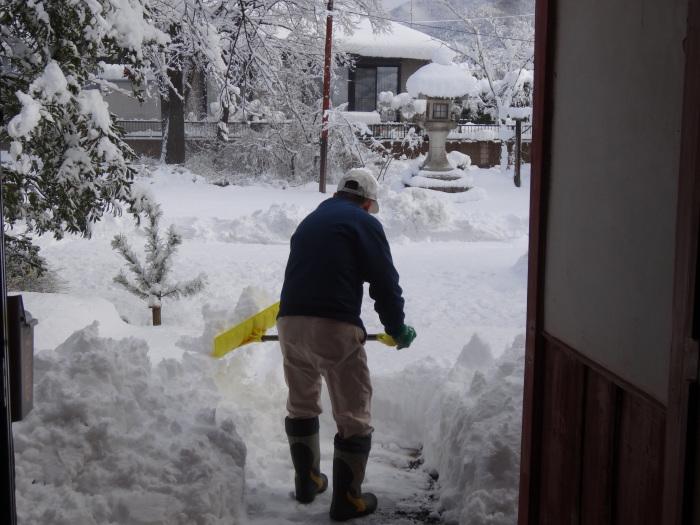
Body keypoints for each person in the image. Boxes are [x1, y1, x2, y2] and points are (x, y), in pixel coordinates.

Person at [277, 168, 416, 521]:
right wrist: (397, 328)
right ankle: (347, 500)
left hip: (289, 323)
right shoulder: (363, 222)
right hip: (334, 327)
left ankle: (307, 482)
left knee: (302, 402)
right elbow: (384, 282)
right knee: (354, 414)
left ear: (338, 195)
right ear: (368, 203)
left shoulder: (311, 220)